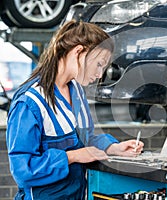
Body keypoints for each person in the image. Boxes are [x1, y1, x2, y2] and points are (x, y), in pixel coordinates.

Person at [6, 20, 144, 200]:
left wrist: (113, 148)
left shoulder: (77, 91)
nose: (100, 74)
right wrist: (72, 157)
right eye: (99, 64)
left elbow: (84, 139)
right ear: (78, 52)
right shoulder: (30, 103)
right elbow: (23, 170)